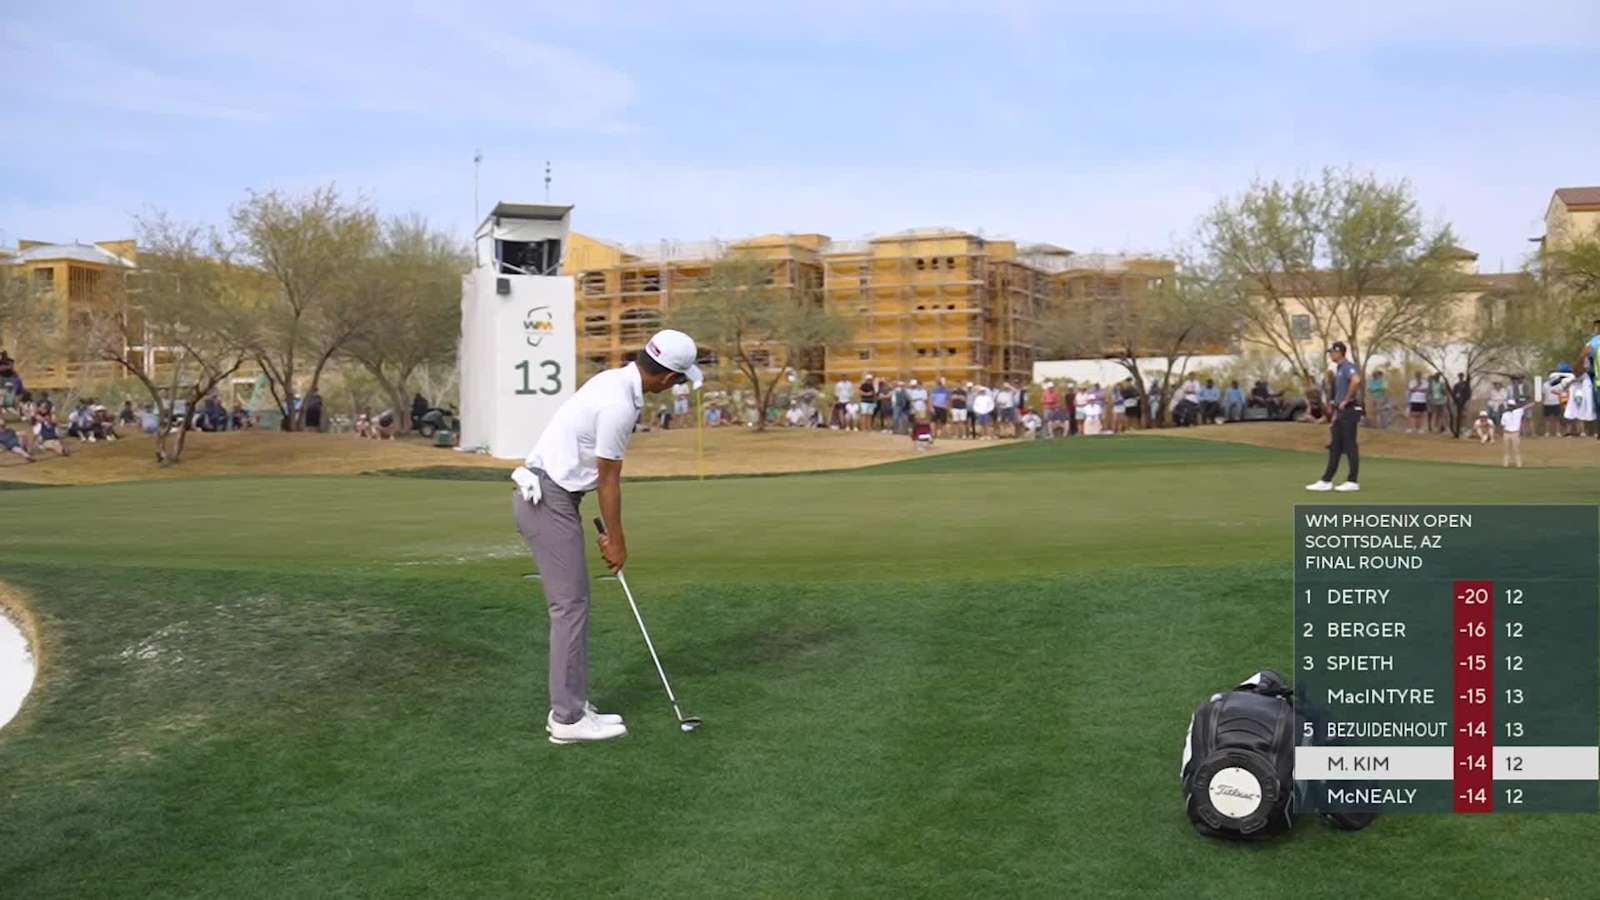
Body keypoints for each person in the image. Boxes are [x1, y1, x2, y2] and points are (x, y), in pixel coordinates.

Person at [511, 329, 702, 745]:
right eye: (681, 379)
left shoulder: (615, 381)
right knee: (571, 606)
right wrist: (617, 540)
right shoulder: (619, 404)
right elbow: (608, 480)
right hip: (548, 500)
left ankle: (573, 704)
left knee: (573, 604)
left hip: (556, 496)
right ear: (670, 378)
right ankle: (567, 718)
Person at [1307, 341, 1362, 492]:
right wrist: (1335, 414)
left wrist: (1346, 399)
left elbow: (1356, 380)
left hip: (1350, 410)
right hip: (1341, 412)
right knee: (1335, 446)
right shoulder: (1339, 369)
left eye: (1332, 352)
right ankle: (1326, 480)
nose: (1331, 354)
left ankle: (1353, 481)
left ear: (1339, 352)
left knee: (1350, 445)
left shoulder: (1346, 366)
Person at [1501, 397, 1534, 468]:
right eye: (1510, 405)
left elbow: (1527, 406)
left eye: (1512, 406)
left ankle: (1519, 465)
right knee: (1506, 450)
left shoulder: (1518, 411)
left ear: (1514, 406)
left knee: (1516, 449)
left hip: (1515, 433)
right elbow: (1503, 425)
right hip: (1506, 433)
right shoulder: (1504, 414)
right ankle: (1505, 464)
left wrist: (1535, 402)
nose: (1511, 407)